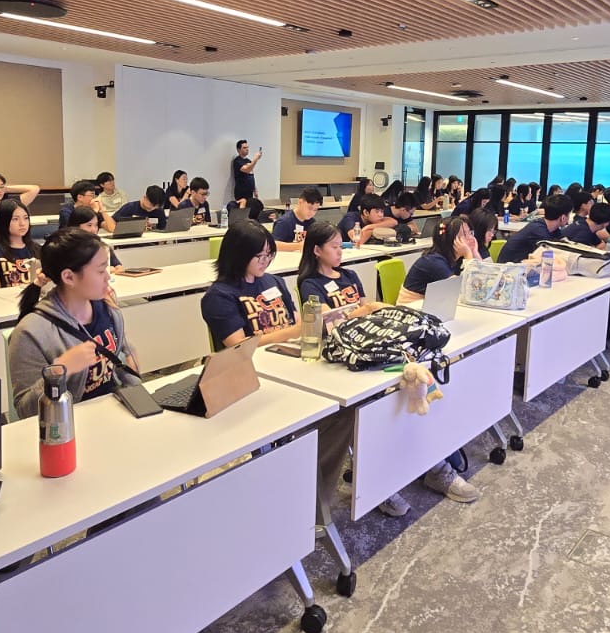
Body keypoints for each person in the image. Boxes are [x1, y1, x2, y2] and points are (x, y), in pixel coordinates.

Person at [294, 221, 406, 517]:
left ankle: (395, 469)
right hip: (338, 355)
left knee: (399, 392)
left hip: (367, 346)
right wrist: (358, 311)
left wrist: (378, 309)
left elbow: (365, 305)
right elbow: (320, 325)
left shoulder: (351, 275)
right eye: (333, 246)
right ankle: (376, 482)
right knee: (364, 412)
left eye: (340, 245)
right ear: (316, 251)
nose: (340, 251)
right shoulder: (310, 284)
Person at [392, 217, 483, 504]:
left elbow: (482, 281)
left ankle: (445, 442)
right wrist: (470, 257)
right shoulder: (435, 263)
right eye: (464, 235)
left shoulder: (451, 261)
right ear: (450, 240)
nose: (468, 238)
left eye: (470, 234)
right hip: (409, 330)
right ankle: (433, 458)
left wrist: (474, 253)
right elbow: (472, 289)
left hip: (432, 325)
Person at [8, 229, 139, 414]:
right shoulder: (30, 332)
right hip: (68, 427)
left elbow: (124, 366)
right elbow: (25, 411)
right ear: (69, 277)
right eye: (101, 270)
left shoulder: (107, 310)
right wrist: (62, 369)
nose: (108, 277)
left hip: (114, 412)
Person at [200, 221, 299, 350]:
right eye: (260, 256)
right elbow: (238, 345)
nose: (265, 261)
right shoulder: (219, 296)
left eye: (269, 255)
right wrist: (290, 333)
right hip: (250, 363)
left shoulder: (275, 281)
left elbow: (297, 321)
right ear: (239, 255)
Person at [0, 201, 43, 289]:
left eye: (26, 218)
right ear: (3, 221)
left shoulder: (37, 249)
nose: (22, 223)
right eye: (15, 219)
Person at [498, 193, 571, 264]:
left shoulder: (549, 227)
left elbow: (564, 242)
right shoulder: (539, 230)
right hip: (509, 268)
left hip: (520, 266)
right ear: (563, 218)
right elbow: (551, 256)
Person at [66, 204, 122, 272]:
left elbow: (118, 266)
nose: (94, 229)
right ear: (76, 226)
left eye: (96, 225)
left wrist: (116, 268)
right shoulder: (68, 247)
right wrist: (108, 269)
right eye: (89, 225)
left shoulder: (101, 245)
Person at [271, 186, 324, 251]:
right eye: (309, 208)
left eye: (315, 210)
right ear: (300, 202)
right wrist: (298, 246)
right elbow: (274, 245)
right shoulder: (284, 222)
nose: (312, 213)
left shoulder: (312, 222)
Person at [231, 139, 264, 203]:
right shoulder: (237, 161)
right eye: (244, 147)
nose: (247, 149)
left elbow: (251, 175)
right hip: (241, 193)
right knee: (242, 211)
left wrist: (255, 189)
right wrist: (256, 158)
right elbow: (247, 170)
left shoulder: (248, 161)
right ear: (238, 150)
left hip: (250, 193)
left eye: (247, 147)